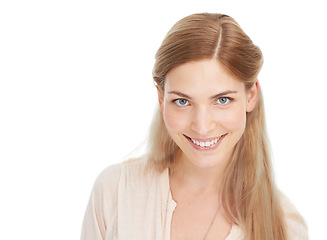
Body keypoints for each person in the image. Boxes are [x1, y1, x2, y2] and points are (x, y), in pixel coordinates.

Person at [81, 13, 308, 240]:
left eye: (222, 100)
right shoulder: (115, 192)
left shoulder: (285, 227)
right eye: (182, 101)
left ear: (251, 96)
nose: (202, 126)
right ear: (161, 98)